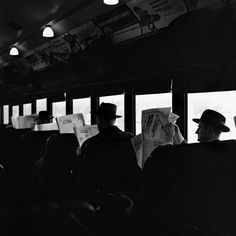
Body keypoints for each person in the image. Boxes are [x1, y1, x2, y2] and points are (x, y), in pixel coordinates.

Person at [73, 103, 143, 203]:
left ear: (98, 119)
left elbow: (83, 175)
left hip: (101, 197)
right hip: (128, 195)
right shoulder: (131, 139)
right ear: (114, 120)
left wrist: (79, 155)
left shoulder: (90, 144)